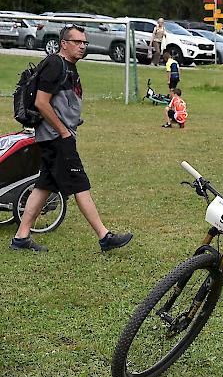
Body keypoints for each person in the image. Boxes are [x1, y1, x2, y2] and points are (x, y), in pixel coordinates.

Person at [10, 24, 133, 253]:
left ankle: (21, 238)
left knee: (44, 185)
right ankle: (104, 236)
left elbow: (61, 101)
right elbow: (41, 102)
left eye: (84, 43)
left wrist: (71, 121)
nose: (82, 47)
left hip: (58, 135)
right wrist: (64, 130)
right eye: (77, 42)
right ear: (63, 43)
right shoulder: (55, 64)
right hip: (57, 137)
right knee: (80, 184)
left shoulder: (68, 66)